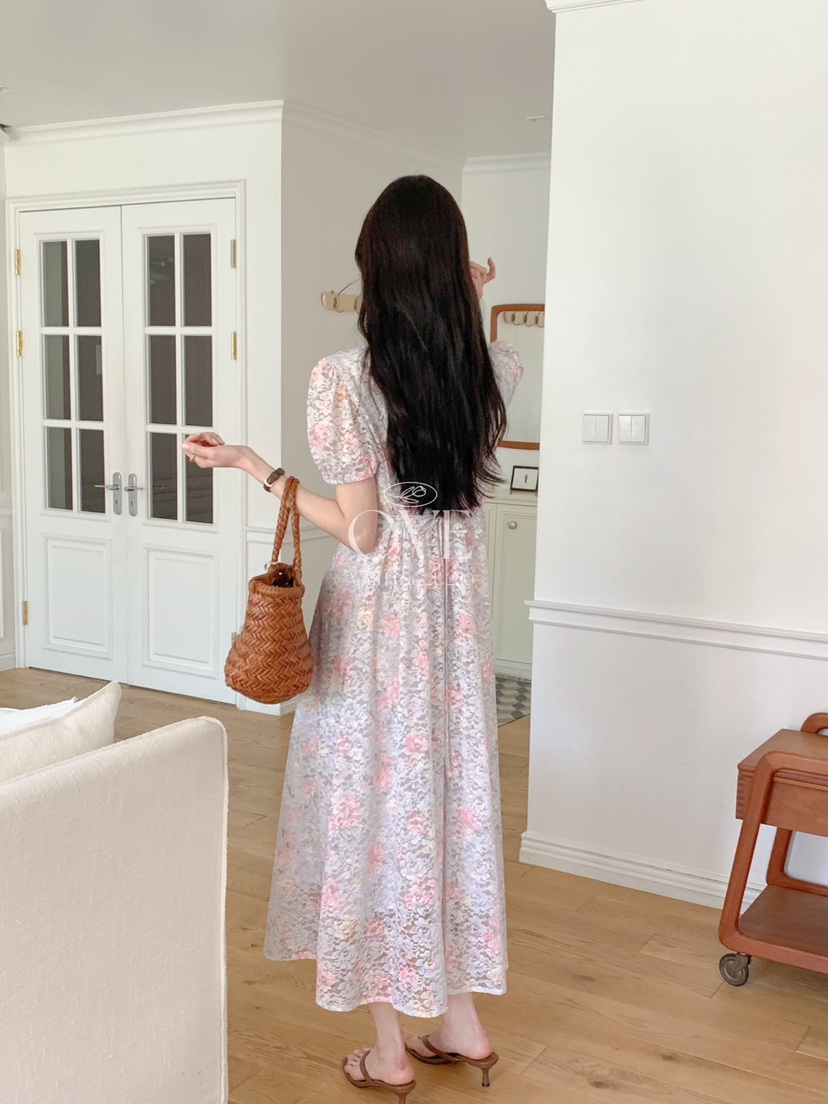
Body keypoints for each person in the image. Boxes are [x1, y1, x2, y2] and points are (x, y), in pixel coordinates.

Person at [182, 174, 524, 1103]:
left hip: (380, 626)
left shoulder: (343, 380)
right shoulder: (488, 372)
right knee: (440, 806)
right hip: (453, 626)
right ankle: (461, 1021)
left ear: (376, 266)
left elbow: (364, 531)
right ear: (453, 270)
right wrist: (470, 298)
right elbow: (457, 359)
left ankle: (390, 1050)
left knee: (370, 813)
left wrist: (255, 466)